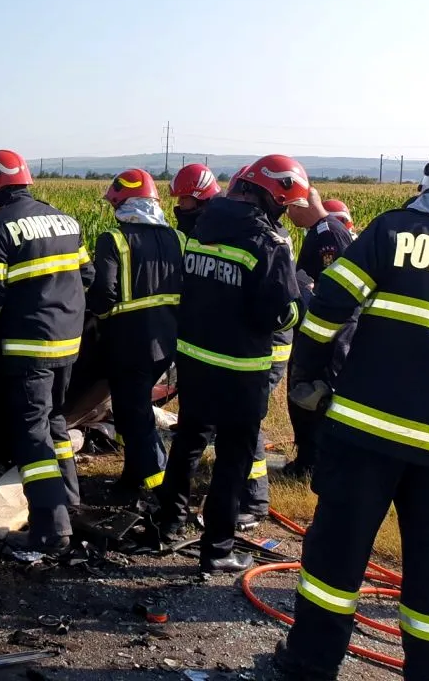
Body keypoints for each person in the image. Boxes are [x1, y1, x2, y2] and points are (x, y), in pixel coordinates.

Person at [276, 143, 429, 680]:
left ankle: (309, 667)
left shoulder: (392, 232)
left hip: (365, 431)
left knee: (335, 560)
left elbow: (327, 307)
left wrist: (312, 376)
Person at [156, 154, 304, 573]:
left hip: (195, 356)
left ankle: (169, 521)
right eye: (284, 204)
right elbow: (279, 315)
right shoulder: (267, 243)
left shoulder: (204, 224)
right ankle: (218, 548)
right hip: (241, 367)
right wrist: (301, 301)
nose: (284, 213)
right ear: (272, 196)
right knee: (233, 459)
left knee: (187, 441)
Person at [0, 149, 93, 555]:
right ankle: (69, 500)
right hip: (68, 341)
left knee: (30, 436)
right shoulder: (65, 219)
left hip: (28, 346)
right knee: (54, 420)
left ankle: (50, 530)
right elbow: (86, 274)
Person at [87, 169, 184, 500]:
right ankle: (131, 480)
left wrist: (97, 315)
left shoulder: (113, 240)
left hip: (129, 344)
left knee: (135, 417)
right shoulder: (178, 239)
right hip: (167, 343)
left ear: (123, 204)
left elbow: (103, 294)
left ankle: (160, 493)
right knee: (134, 411)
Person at [277, 187, 356, 478]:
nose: (287, 214)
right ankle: (307, 460)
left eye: (289, 208)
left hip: (330, 340)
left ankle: (316, 465)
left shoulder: (330, 235)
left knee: (318, 400)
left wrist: (303, 290)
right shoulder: (317, 232)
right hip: (313, 333)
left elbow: (339, 293)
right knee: (303, 399)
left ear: (301, 205)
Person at [169, 163, 221, 234]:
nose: (179, 202)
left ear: (200, 199)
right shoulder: (186, 222)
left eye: (184, 197)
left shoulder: (215, 232)